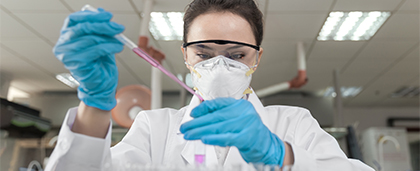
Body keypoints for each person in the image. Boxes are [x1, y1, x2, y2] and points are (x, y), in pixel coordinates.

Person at [46, 0, 374, 170]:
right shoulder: (154, 128)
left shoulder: (292, 123)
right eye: (203, 53)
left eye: (236, 55)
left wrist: (281, 155)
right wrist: (95, 104)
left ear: (256, 58)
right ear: (186, 57)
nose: (218, 67)